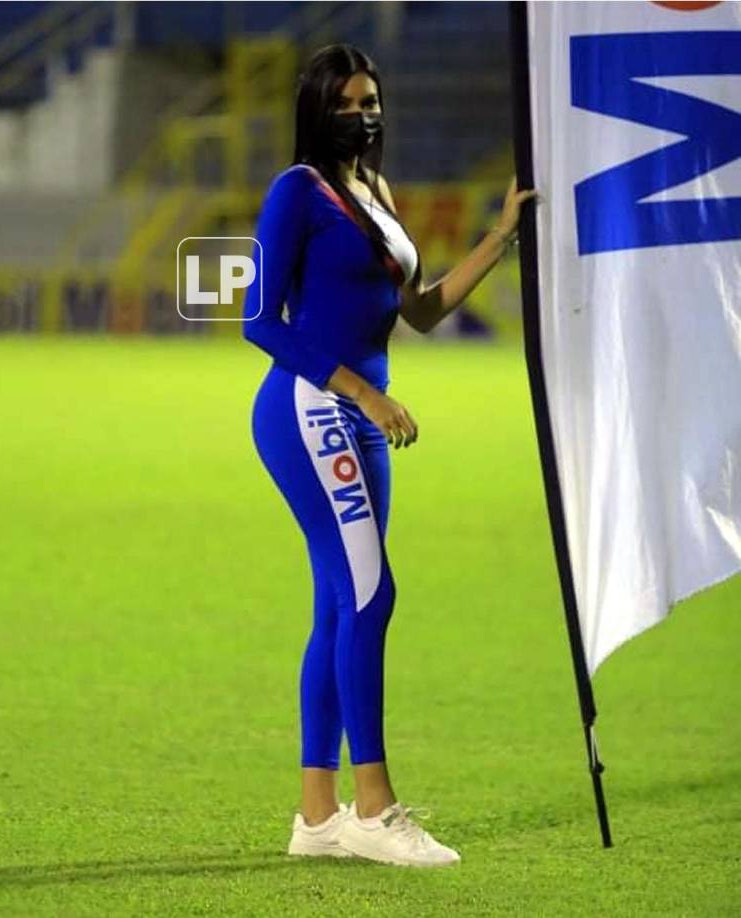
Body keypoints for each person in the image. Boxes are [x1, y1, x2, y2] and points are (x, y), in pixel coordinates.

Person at [242, 43, 538, 868]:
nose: (362, 114)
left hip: (365, 422)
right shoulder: (295, 192)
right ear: (315, 109)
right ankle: (373, 811)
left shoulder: (373, 192)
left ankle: (316, 816)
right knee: (371, 597)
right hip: (312, 410)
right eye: (346, 101)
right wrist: (362, 393)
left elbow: (420, 310)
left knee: (340, 604)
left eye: (371, 99)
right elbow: (259, 321)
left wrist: (498, 237)